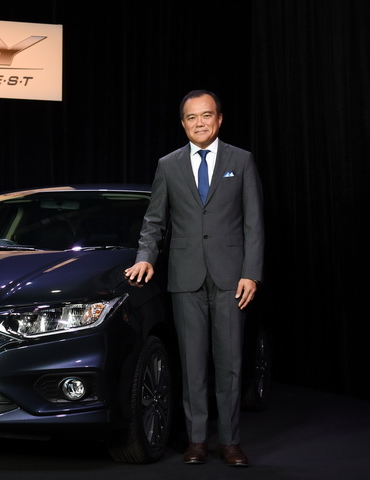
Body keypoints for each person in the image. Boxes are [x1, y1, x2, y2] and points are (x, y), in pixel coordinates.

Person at [125, 90, 264, 467]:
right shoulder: (168, 165)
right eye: (191, 117)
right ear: (182, 123)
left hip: (231, 278)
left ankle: (230, 442)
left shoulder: (241, 160)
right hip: (185, 277)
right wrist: (145, 258)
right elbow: (154, 221)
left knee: (230, 363)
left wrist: (251, 273)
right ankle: (197, 440)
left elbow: (254, 223)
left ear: (219, 119)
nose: (199, 123)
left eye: (206, 115)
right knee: (192, 364)